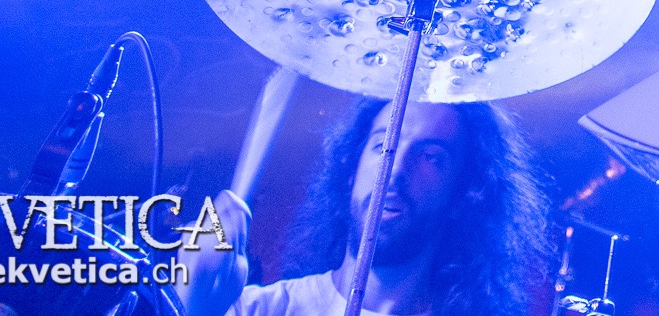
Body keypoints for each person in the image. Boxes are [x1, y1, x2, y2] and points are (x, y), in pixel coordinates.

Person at [177, 99, 549, 316]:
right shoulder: (260, 309)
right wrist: (189, 306)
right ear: (350, 170)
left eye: (431, 157)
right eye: (381, 145)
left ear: (465, 193)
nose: (395, 168)